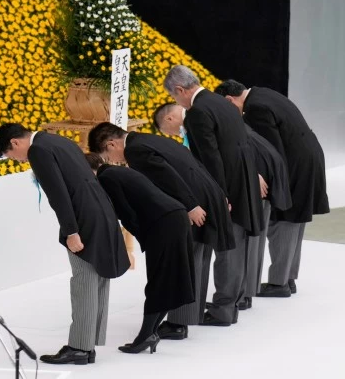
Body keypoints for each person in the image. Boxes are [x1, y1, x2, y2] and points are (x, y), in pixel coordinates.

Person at [0, 123, 129, 366]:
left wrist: (71, 232)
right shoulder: (58, 141)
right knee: (97, 277)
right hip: (100, 208)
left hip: (83, 217)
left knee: (84, 279)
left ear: (15, 143)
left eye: (10, 156)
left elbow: (58, 194)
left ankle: (79, 347)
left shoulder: (38, 151)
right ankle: (87, 345)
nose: (17, 160)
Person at [88, 121, 233, 337]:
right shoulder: (149, 139)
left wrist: (190, 205)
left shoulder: (135, 150)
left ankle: (177, 324)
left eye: (109, 157)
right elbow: (193, 162)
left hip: (193, 202)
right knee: (198, 257)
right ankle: (184, 319)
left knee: (187, 260)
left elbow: (167, 176)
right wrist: (218, 193)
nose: (115, 162)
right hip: (206, 193)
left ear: (111, 144)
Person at [163, 65, 262, 325]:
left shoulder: (197, 112)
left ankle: (223, 310)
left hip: (225, 187)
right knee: (236, 244)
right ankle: (232, 303)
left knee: (226, 247)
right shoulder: (223, 103)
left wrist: (218, 195)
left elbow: (209, 157)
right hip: (243, 181)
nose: (178, 103)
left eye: (175, 98)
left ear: (180, 90)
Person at [216, 79, 330, 297]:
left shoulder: (254, 109)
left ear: (230, 99)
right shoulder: (263, 92)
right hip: (308, 157)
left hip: (294, 164)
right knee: (296, 221)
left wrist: (260, 178)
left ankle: (279, 284)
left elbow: (269, 150)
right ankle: (288, 278)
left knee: (283, 221)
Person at [84, 152, 196, 355]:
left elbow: (125, 212)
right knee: (166, 279)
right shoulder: (117, 171)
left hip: (163, 224)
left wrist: (142, 237)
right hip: (174, 217)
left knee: (159, 280)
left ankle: (145, 336)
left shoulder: (106, 178)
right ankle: (149, 333)